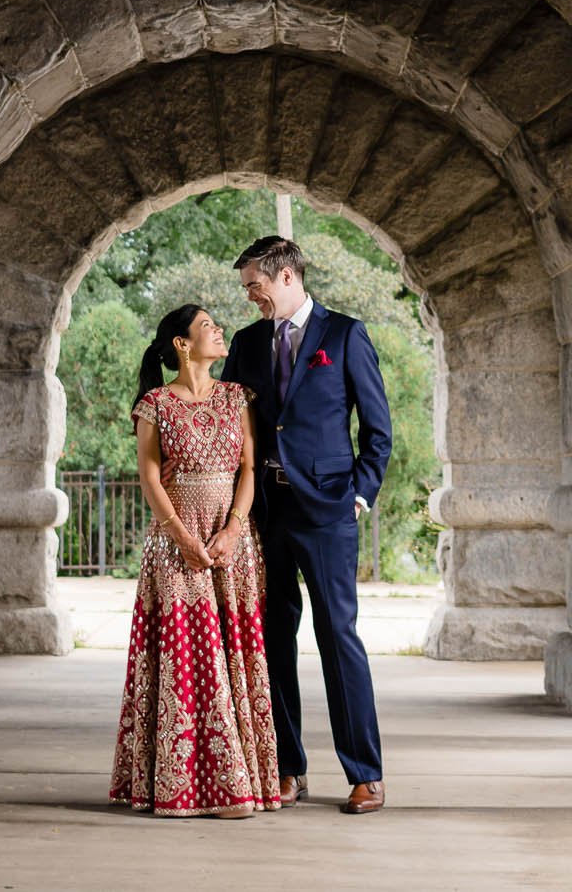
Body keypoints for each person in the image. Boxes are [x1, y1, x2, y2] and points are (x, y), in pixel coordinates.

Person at [220, 235, 391, 814]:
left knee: (338, 638)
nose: (251, 298)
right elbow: (233, 426)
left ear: (286, 276)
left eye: (256, 286)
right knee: (271, 641)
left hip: (329, 512)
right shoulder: (245, 343)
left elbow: (377, 432)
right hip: (265, 514)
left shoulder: (345, 336)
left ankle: (366, 773)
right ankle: (287, 768)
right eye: (247, 288)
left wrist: (359, 498)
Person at [109, 303, 282, 818]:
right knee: (190, 658)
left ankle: (238, 784)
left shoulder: (237, 398)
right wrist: (182, 537)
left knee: (233, 655)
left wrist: (233, 528)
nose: (219, 331)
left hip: (233, 545)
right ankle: (183, 787)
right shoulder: (155, 404)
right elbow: (150, 477)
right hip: (175, 546)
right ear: (182, 344)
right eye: (208, 326)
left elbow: (250, 468)